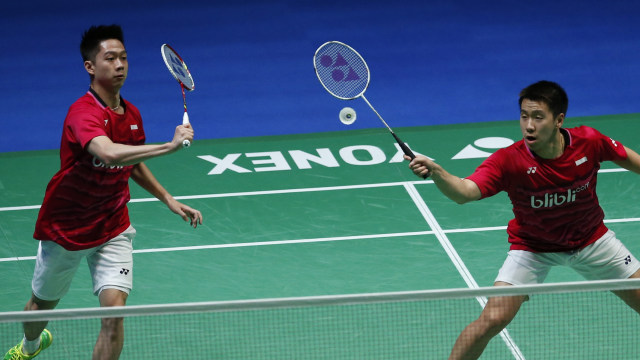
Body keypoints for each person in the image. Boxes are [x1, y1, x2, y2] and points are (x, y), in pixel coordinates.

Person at [3, 25, 203, 360]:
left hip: (113, 226)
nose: (120, 64)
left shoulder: (133, 115)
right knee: (39, 307)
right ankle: (31, 345)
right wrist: (168, 147)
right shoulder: (83, 113)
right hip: (66, 228)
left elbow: (131, 163)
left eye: (123, 57)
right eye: (110, 58)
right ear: (90, 67)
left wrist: (167, 198)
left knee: (114, 314)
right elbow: (109, 153)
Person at [405, 80, 640, 360]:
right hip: (534, 249)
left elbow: (627, 157)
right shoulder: (509, 161)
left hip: (592, 241)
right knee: (491, 320)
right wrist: (438, 173)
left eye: (538, 117)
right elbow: (464, 193)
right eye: (524, 116)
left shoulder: (588, 141)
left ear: (558, 120)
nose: (529, 125)